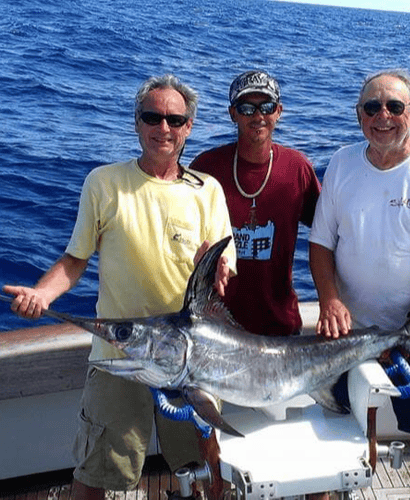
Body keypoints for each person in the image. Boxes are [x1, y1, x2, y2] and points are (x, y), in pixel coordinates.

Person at [3, 74, 236, 499]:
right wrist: (42, 294)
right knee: (95, 475)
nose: (162, 128)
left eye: (174, 119)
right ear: (136, 123)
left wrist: (219, 266)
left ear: (188, 127)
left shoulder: (208, 192)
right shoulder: (103, 183)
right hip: (118, 356)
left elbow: (223, 269)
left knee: (203, 470)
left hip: (190, 362)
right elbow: (75, 261)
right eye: (152, 116)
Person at [309, 69, 410, 500]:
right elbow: (321, 243)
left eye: (394, 106)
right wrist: (328, 299)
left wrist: (409, 327)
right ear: (358, 115)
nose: (382, 115)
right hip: (352, 334)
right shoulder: (343, 162)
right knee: (346, 428)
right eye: (371, 107)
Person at [190, 70, 321, 498]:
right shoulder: (206, 167)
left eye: (266, 106)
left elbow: (330, 236)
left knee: (290, 445)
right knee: (213, 442)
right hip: (214, 333)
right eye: (246, 107)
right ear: (233, 114)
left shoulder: (298, 168)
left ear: (279, 113)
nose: (257, 115)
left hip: (278, 327)